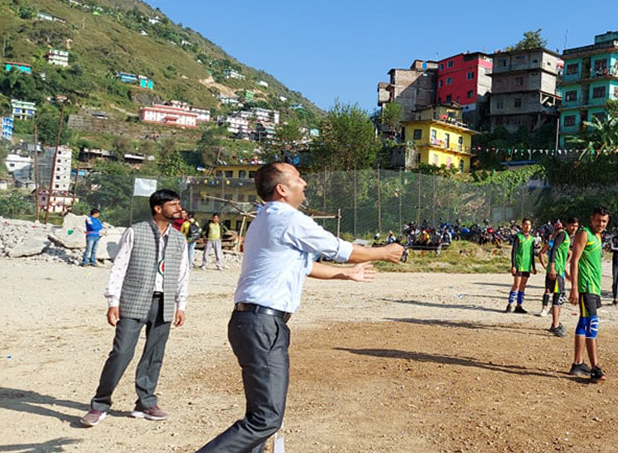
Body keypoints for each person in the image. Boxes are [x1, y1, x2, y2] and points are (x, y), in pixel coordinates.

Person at [195, 162, 403, 452]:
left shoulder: (265, 219)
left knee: (260, 417)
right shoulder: (287, 219)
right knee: (265, 420)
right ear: (282, 189)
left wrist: (345, 274)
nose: (304, 183)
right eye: (298, 179)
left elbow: (305, 265)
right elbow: (339, 248)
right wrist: (384, 252)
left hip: (254, 322)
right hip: (263, 324)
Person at [79, 190, 189, 427]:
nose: (178, 208)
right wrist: (112, 302)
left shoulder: (179, 238)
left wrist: (181, 304)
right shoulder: (135, 232)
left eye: (178, 203)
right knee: (121, 353)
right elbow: (119, 266)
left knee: (154, 355)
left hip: (165, 302)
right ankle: (99, 404)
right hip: (134, 300)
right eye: (173, 204)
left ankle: (145, 402)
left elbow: (182, 274)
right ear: (158, 208)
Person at [568, 207, 610, 382]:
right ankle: (595, 367)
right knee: (592, 325)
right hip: (586, 287)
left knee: (584, 323)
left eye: (604, 221)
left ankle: (578, 363)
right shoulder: (584, 233)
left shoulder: (598, 237)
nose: (601, 224)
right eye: (598, 220)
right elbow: (574, 260)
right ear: (592, 219)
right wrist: (574, 287)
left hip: (594, 287)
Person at [544, 217, 578, 337]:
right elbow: (553, 249)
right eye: (572, 225)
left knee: (560, 297)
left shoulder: (567, 237)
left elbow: (568, 253)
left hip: (560, 270)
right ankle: (555, 325)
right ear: (567, 225)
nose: (574, 228)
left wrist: (566, 266)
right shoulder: (563, 234)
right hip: (556, 271)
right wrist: (553, 267)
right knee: (558, 297)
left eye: (576, 226)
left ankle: (555, 323)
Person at [505, 218, 539, 314]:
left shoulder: (532, 239)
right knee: (516, 284)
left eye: (529, 225)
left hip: (527, 265)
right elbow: (514, 251)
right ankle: (510, 304)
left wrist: (534, 267)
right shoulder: (518, 237)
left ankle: (519, 305)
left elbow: (532, 253)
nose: (527, 226)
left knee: (523, 286)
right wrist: (513, 265)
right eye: (525, 224)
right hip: (519, 264)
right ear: (522, 225)